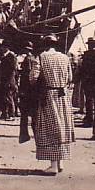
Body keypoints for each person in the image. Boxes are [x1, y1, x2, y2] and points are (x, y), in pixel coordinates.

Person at [33, 34, 75, 176]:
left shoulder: (41, 57)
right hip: (63, 96)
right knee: (62, 126)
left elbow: (33, 77)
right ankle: (60, 161)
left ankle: (53, 165)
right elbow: (70, 78)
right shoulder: (65, 57)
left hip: (48, 95)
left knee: (50, 127)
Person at [18, 42, 39, 142]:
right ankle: (36, 133)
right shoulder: (34, 59)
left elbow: (27, 74)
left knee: (24, 113)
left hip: (26, 88)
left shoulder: (27, 59)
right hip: (33, 90)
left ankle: (24, 134)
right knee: (34, 113)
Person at [78, 37, 95, 127]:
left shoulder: (85, 56)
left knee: (89, 100)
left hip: (87, 81)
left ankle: (89, 119)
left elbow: (81, 69)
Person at [0, 42, 17, 120]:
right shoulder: (2, 56)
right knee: (4, 97)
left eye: (3, 47)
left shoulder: (11, 56)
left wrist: (9, 81)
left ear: (7, 47)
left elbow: (12, 70)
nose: (1, 49)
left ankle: (11, 114)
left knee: (9, 97)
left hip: (9, 80)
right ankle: (5, 113)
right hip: (3, 80)